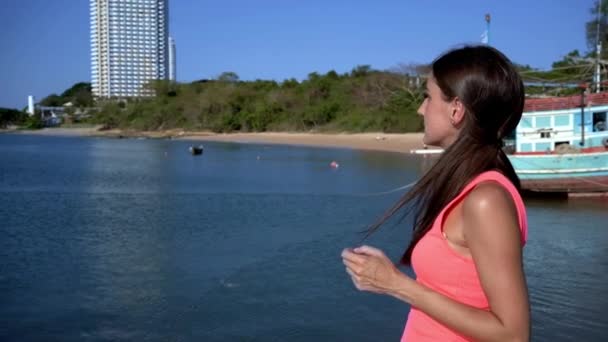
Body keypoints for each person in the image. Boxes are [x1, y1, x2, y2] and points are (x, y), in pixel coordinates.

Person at [341, 45, 530, 341]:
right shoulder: (465, 188)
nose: (420, 109)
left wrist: (394, 283)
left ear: (456, 110)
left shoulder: (485, 200)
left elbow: (513, 334)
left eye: (428, 97)